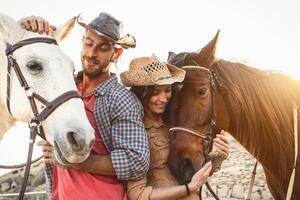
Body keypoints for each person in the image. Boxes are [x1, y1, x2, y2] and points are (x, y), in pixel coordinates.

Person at [20, 13, 150, 200]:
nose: (91, 53)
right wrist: (25, 28)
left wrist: (73, 161)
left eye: (103, 48)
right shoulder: (64, 88)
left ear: (116, 54)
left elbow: (137, 161)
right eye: (88, 43)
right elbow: (29, 66)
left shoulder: (121, 98)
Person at [120, 55, 229, 200]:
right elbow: (138, 194)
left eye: (167, 90)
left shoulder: (174, 125)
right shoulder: (136, 132)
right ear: (142, 94)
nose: (164, 98)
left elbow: (191, 173)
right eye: (155, 93)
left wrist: (218, 158)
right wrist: (188, 188)